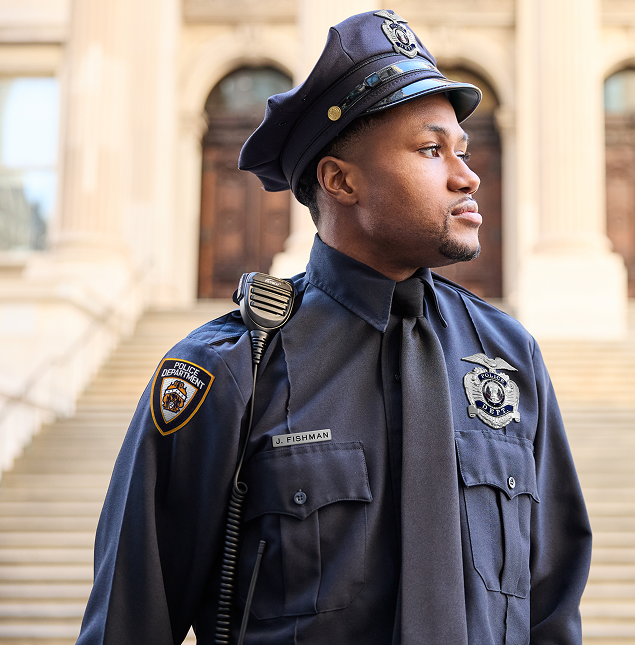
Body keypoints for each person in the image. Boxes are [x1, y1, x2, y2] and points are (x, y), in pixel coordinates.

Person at [76, 10, 591, 645]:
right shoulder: (230, 369)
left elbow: (552, 611)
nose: (467, 176)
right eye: (431, 150)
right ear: (340, 179)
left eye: (462, 150)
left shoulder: (508, 358)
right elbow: (129, 624)